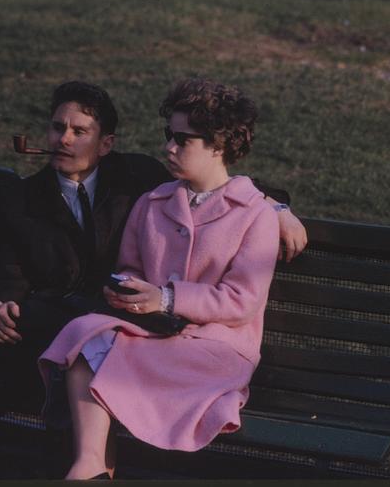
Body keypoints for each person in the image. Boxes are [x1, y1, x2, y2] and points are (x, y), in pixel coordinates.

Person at [0, 81, 306, 478]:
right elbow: (8, 269)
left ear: (106, 143)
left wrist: (278, 209)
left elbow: (230, 194)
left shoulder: (139, 180)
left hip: (174, 332)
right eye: (57, 128)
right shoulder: (37, 197)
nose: (63, 140)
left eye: (79, 132)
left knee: (69, 334)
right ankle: (84, 467)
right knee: (54, 331)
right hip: (107, 320)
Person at [38, 78, 281, 479]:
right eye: (170, 135)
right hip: (154, 333)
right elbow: (131, 268)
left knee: (108, 355)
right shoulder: (153, 202)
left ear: (219, 145)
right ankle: (90, 464)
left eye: (183, 140)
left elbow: (242, 302)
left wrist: (166, 298)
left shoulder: (255, 214)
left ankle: (93, 469)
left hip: (216, 347)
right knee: (86, 333)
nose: (169, 147)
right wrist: (128, 293)